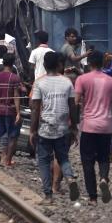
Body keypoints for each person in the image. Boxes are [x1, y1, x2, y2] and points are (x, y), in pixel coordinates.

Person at [75, 51, 112, 203]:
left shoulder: (82, 79)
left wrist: (72, 123)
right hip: (106, 126)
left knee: (87, 161)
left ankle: (92, 197)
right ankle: (103, 178)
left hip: (88, 126)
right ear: (103, 63)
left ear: (89, 63)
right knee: (104, 157)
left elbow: (76, 102)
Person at [29, 51, 80, 201]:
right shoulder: (67, 82)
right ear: (59, 65)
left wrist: (32, 130)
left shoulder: (39, 82)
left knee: (44, 161)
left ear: (44, 66)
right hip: (63, 127)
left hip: (45, 128)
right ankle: (70, 178)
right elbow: (73, 106)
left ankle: (48, 194)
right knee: (63, 158)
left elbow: (36, 108)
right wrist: (74, 127)